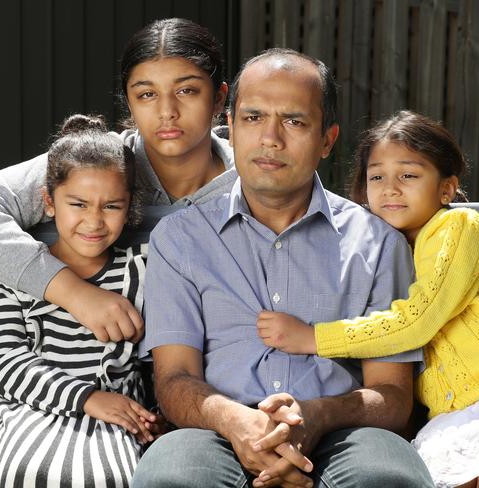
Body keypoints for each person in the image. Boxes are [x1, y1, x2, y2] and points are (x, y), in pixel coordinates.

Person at [133, 50, 434, 488]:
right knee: (170, 479)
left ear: (327, 140)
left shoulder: (376, 243)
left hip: (343, 430)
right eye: (253, 118)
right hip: (212, 430)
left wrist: (316, 416)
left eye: (294, 121)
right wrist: (237, 422)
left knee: (389, 478)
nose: (270, 138)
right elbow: (175, 378)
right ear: (231, 127)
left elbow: (391, 395)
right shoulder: (181, 238)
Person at [256, 110, 479, 488]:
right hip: (456, 414)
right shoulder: (377, 252)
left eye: (409, 175)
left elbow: (420, 319)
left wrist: (314, 338)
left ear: (447, 189)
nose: (390, 188)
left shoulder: (458, 227)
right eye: (377, 177)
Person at [0, 17, 234, 345]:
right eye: (147, 94)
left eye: (186, 90)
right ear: (128, 101)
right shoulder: (98, 163)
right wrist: (75, 294)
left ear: (219, 98)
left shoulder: (250, 179)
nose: (167, 110)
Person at [0, 114, 167, 487]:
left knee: (108, 477)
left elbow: (157, 359)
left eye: (111, 206)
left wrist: (154, 414)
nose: (94, 221)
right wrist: (86, 397)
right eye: (78, 204)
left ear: (129, 208)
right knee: (27, 471)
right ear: (48, 201)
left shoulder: (142, 272)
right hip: (30, 408)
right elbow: (4, 364)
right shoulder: (17, 271)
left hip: (116, 416)